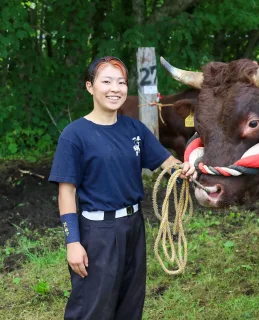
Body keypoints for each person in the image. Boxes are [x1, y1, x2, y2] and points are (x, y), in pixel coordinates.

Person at [48, 56, 196, 320]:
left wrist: (184, 168)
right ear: (90, 86)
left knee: (131, 303)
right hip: (97, 233)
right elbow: (66, 192)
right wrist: (73, 242)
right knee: (92, 308)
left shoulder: (134, 129)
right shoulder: (74, 135)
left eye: (121, 82)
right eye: (106, 81)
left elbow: (166, 162)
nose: (115, 88)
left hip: (133, 226)